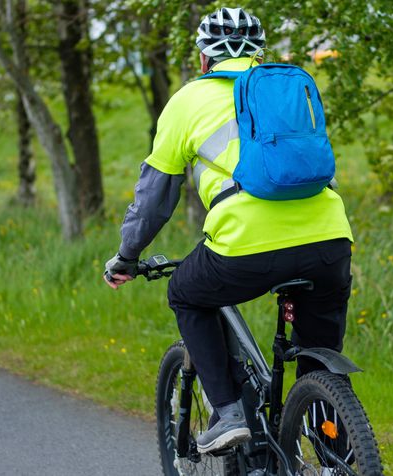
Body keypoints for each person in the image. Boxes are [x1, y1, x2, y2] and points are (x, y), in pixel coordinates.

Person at [104, 6, 353, 454]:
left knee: (186, 290)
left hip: (245, 247)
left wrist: (127, 256)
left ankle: (230, 412)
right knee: (318, 356)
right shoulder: (287, 92)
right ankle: (335, 443)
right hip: (330, 239)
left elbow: (154, 200)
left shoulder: (186, 101)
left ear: (204, 59)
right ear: (258, 55)